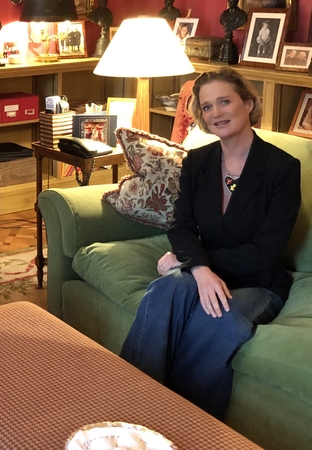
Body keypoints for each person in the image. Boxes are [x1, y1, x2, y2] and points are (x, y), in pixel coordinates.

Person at [119, 67, 301, 420]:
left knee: (218, 318)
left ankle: (184, 422)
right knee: (166, 290)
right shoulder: (198, 162)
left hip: (258, 280)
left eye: (224, 101)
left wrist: (198, 263)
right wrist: (198, 268)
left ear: (248, 103)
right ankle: (130, 405)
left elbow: (267, 251)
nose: (216, 112)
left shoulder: (282, 168)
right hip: (205, 268)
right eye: (206, 106)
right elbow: (182, 224)